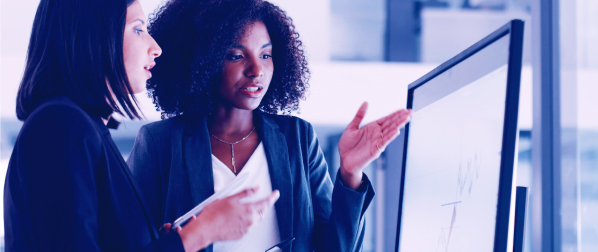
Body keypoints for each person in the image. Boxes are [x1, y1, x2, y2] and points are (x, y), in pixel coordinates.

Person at [127, 0, 412, 251]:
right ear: (203, 59)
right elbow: (126, 243)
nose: (256, 70)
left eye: (265, 55)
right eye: (237, 56)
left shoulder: (298, 138)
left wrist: (351, 173)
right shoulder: (160, 142)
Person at [3, 0, 279, 251]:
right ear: (95, 37)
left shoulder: (83, 128)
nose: (155, 47)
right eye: (138, 30)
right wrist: (199, 233)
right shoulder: (60, 126)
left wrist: (160, 241)